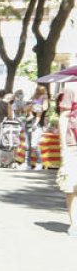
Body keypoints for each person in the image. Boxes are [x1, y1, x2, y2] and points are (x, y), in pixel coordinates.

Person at [56, 82, 77, 235]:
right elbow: (63, 117)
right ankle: (75, 224)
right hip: (73, 144)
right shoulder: (72, 89)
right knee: (72, 186)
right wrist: (63, 146)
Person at [23, 85, 49, 170]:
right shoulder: (33, 97)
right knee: (27, 145)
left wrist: (38, 105)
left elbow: (44, 108)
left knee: (34, 144)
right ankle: (27, 164)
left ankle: (39, 163)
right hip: (28, 122)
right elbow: (25, 108)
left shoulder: (44, 98)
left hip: (37, 124)